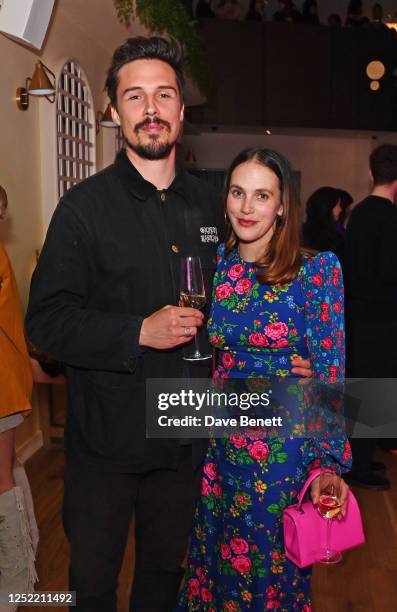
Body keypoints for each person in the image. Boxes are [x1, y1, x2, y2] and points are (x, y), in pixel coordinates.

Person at [25, 38, 313, 612]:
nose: (151, 108)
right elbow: (46, 324)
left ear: (182, 111)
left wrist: (286, 360)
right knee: (90, 587)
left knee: (166, 580)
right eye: (135, 96)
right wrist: (137, 331)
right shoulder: (82, 210)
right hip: (105, 445)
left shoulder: (217, 204)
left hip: (190, 442)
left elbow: (260, 293)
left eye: (164, 94)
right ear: (113, 110)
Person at [176, 148, 351, 610]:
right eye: (237, 192)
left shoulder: (317, 271)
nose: (247, 207)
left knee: (270, 572)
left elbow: (330, 374)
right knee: (215, 566)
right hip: (221, 446)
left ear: (282, 206)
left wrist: (325, 464)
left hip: (281, 456)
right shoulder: (218, 266)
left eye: (261, 195)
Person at [344, 143, 397, 490]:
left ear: (370, 174)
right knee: (375, 391)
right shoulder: (392, 218)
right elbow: (390, 273)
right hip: (381, 318)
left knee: (360, 392)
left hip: (356, 316)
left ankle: (359, 461)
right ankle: (360, 468)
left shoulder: (357, 213)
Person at [0, 185, 38, 610]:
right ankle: (23, 568)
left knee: (2, 480)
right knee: (9, 467)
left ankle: (11, 587)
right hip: (8, 382)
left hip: (2, 388)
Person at [302, 186, 346, 265]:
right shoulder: (332, 240)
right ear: (329, 207)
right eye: (338, 205)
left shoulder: (300, 233)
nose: (340, 209)